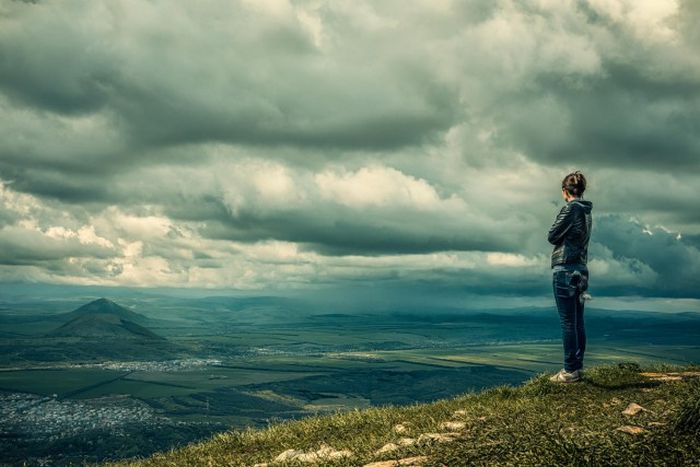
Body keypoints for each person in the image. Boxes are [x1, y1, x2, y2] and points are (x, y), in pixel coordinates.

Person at [547, 170, 593, 383]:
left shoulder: (571, 209)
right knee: (577, 321)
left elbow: (552, 235)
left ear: (565, 191)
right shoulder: (586, 211)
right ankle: (577, 366)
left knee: (568, 322)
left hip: (565, 269)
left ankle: (569, 371)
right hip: (581, 269)